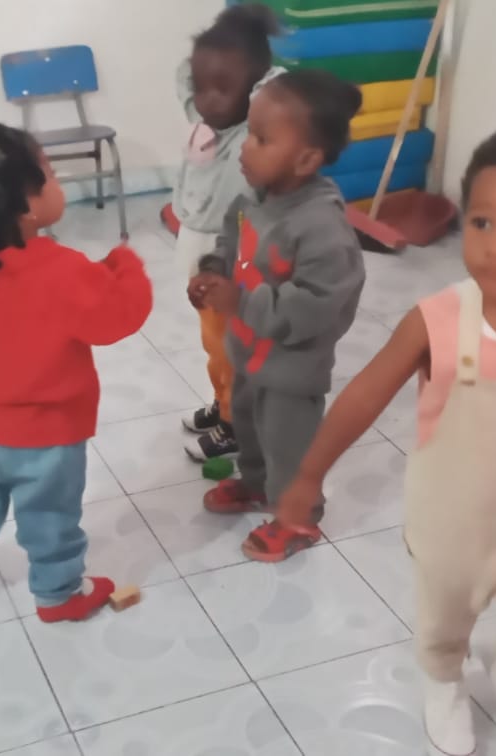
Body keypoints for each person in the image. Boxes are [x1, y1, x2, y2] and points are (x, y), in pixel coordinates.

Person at [266, 124, 496, 754]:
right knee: (441, 633)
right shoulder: (437, 321)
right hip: (448, 532)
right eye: (482, 223)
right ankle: (444, 683)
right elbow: (363, 397)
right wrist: (308, 476)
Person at [0, 122, 153, 623]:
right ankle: (59, 594)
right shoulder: (62, 269)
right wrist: (126, 268)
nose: (58, 183)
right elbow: (116, 319)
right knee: (50, 519)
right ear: (25, 205)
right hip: (50, 437)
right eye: (51, 174)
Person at [189, 69, 365, 556]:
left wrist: (241, 302)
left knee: (289, 444)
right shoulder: (252, 200)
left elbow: (319, 307)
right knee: (247, 425)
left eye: (262, 139)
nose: (244, 148)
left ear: (307, 159)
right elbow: (229, 241)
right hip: (250, 351)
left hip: (292, 371)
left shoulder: (322, 228)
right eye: (249, 132)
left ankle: (299, 518)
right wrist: (212, 270)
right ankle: (257, 483)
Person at [175, 3, 285, 463]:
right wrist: (213, 52)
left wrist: (259, 73)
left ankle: (235, 423)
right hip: (201, 257)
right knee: (213, 344)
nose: (208, 100)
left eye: (224, 89)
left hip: (232, 266)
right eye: (202, 87)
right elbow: (186, 77)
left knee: (232, 347)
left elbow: (275, 87)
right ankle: (223, 401)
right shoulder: (203, 123)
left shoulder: (251, 132)